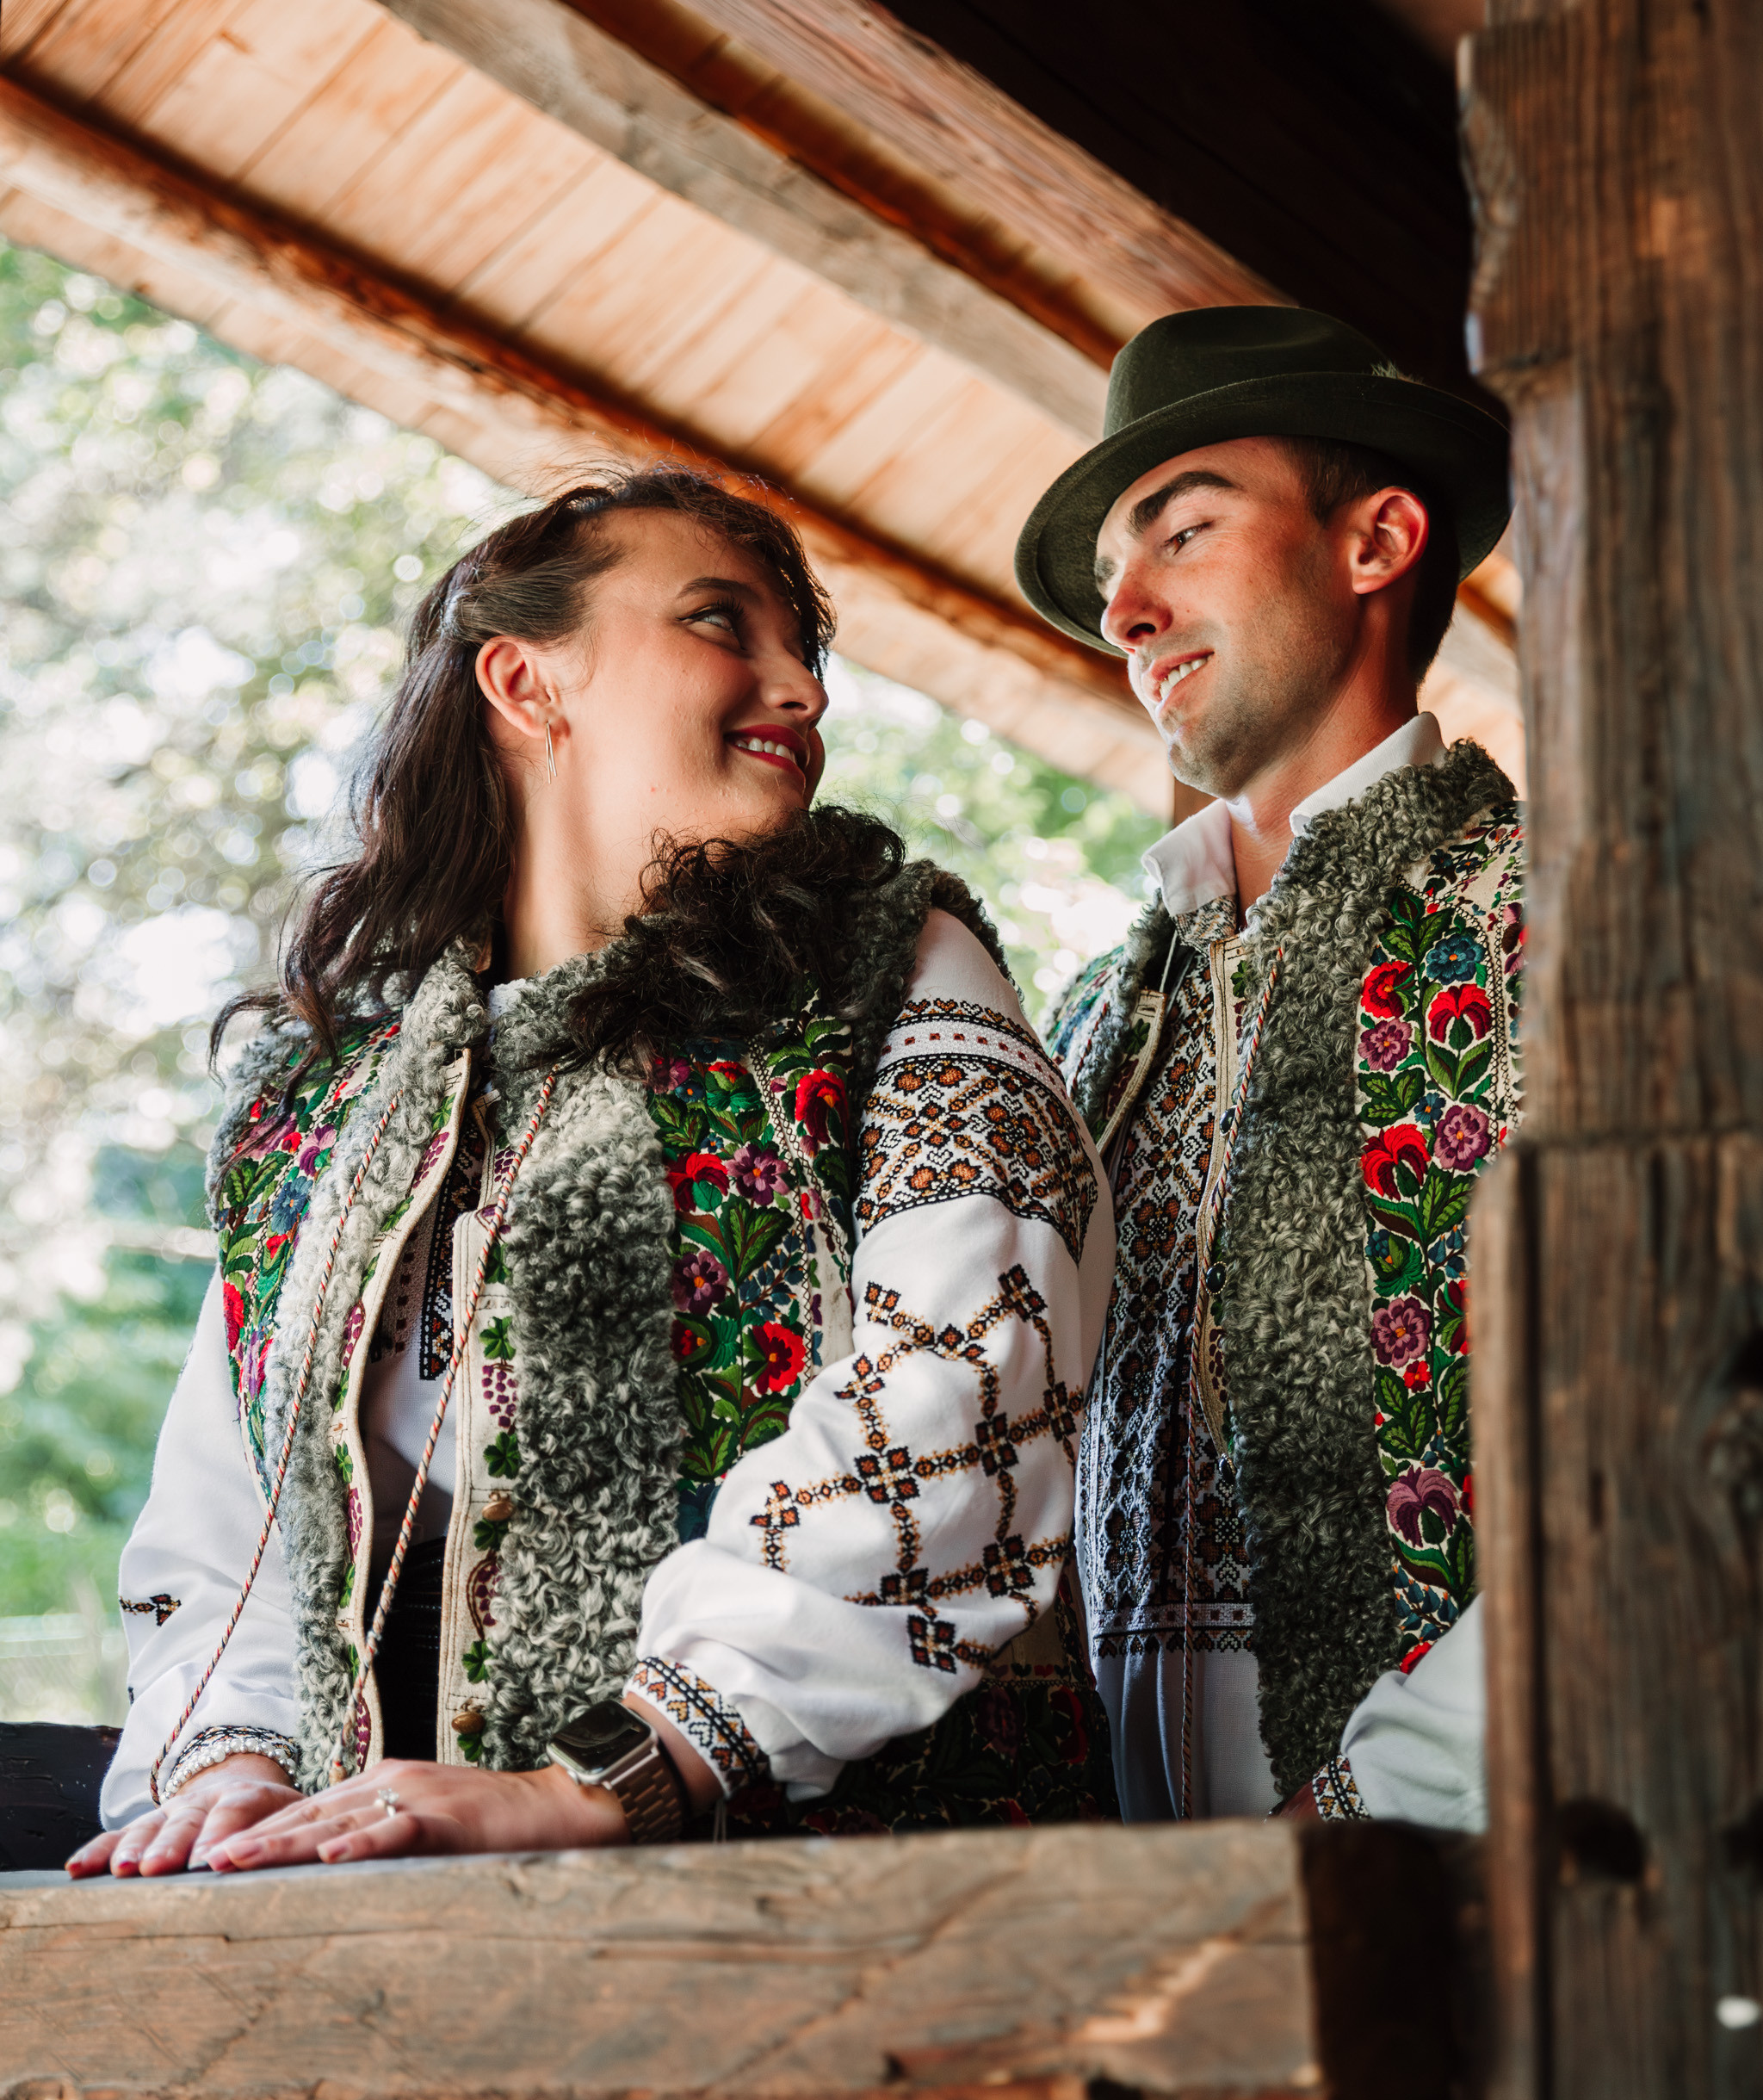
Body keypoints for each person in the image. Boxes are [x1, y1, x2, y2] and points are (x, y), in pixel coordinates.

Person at [70, 466, 1113, 1880]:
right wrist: (235, 1767)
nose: (799, 688)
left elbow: (964, 1393)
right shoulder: (321, 1108)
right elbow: (232, 1525)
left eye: (802, 649)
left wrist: (622, 1771)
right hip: (369, 1919)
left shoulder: (896, 969)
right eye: (719, 623)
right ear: (525, 682)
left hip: (851, 1898)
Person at [1016, 309, 1523, 1830]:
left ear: (1377, 539)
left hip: (1514, 1892)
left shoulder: (1573, 928)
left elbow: (1691, 1429)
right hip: (1124, 1931)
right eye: (1112, 581)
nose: (1130, 613)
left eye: (1183, 532)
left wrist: (1389, 1804)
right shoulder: (1094, 1018)